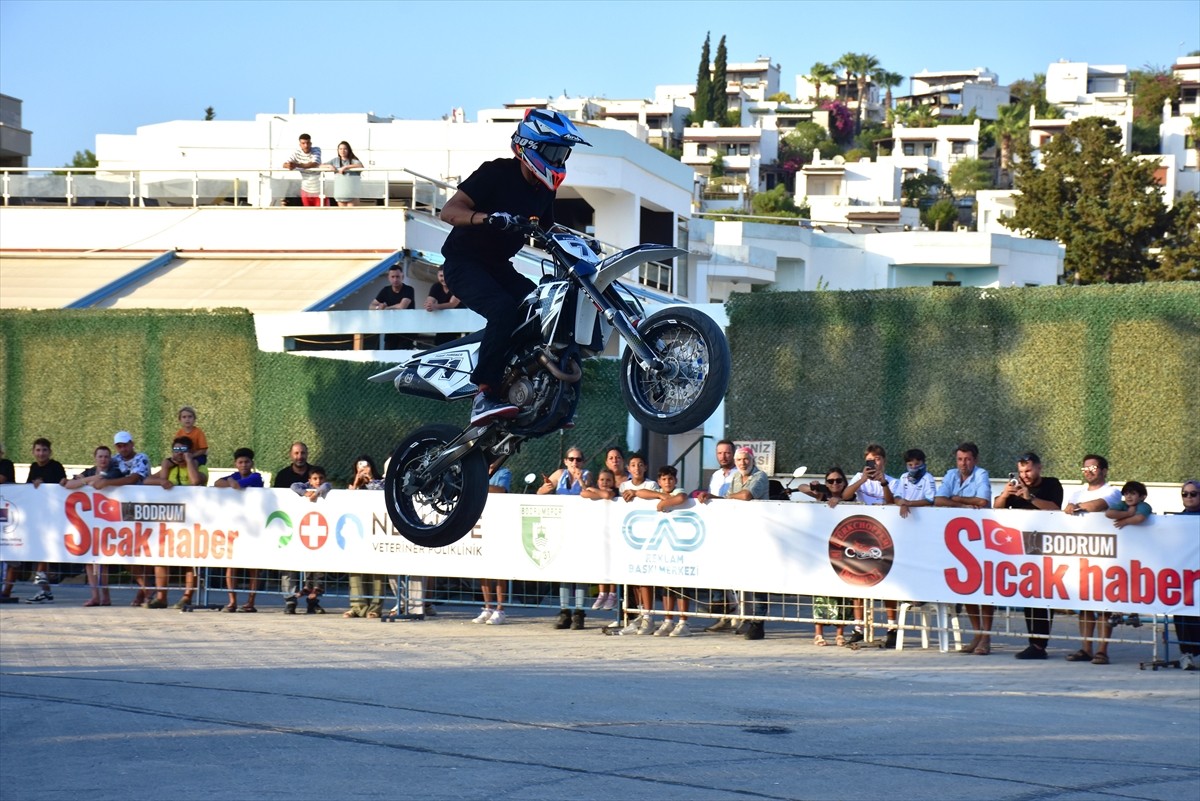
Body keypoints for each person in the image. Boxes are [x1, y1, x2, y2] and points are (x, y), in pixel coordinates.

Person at [438, 108, 590, 426]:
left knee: (542, 310)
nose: (560, 159)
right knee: (505, 310)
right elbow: (449, 211)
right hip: (463, 263)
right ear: (530, 147)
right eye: (553, 151)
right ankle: (483, 395)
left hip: (498, 267)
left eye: (564, 153)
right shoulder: (495, 173)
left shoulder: (545, 190)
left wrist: (582, 246)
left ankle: (537, 394)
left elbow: (548, 231)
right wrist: (486, 218)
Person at [995, 452, 1063, 660]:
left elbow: (1055, 508)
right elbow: (995, 508)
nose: (1024, 475)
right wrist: (1006, 494)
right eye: (1021, 471)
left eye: (1028, 470)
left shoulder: (1051, 484)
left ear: (1039, 468)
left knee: (1043, 597)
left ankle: (1040, 644)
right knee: (1028, 596)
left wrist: (1030, 497)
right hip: (1020, 550)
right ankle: (1033, 642)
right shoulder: (1015, 487)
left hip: (1045, 549)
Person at [1062, 454, 1122, 665]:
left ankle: (1102, 650)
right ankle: (1086, 647)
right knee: (1085, 604)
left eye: (1093, 467)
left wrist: (1077, 507)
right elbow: (1067, 510)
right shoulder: (1076, 492)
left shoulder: (1112, 490)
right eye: (1085, 468)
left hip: (1105, 554)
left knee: (1104, 604)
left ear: (1104, 470)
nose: (1088, 471)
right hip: (1080, 553)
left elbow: (1099, 505)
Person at [935, 442, 994, 655]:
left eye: (967, 459)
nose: (963, 463)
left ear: (975, 460)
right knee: (967, 587)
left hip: (981, 537)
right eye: (960, 459)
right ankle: (977, 634)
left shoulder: (981, 474)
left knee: (985, 587)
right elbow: (938, 500)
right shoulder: (951, 474)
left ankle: (985, 637)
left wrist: (956, 498)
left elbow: (983, 500)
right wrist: (961, 505)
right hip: (957, 538)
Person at [705, 446, 770, 640]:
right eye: (739, 460)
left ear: (752, 460)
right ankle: (743, 617)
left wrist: (724, 497)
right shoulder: (735, 478)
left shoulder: (761, 476)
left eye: (746, 459)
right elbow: (731, 500)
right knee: (741, 578)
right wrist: (711, 497)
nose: (743, 462)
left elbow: (746, 496)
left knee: (757, 580)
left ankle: (758, 622)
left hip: (759, 533)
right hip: (740, 533)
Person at [841, 444, 898, 645]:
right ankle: (859, 627)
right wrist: (863, 479)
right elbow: (845, 496)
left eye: (877, 460)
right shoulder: (859, 478)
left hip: (884, 536)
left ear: (884, 461)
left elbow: (892, 503)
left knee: (887, 580)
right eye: (870, 460)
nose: (874, 463)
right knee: (858, 578)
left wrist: (883, 484)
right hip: (862, 534)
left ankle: (892, 627)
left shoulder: (892, 481)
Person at [94, 432, 158, 605]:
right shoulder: (114, 459)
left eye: (125, 445)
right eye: (119, 446)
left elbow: (133, 479)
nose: (122, 448)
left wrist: (107, 483)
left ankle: (144, 590)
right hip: (121, 511)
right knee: (125, 551)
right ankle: (145, 589)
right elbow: (99, 472)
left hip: (142, 508)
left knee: (142, 551)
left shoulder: (141, 458)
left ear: (132, 444)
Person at [149, 435, 208, 609]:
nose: (178, 454)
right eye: (176, 450)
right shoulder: (170, 467)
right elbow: (146, 480)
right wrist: (162, 476)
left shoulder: (200, 466)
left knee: (188, 559)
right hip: (168, 519)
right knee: (160, 557)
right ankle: (161, 596)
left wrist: (190, 461)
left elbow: (196, 481)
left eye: (183, 450)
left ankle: (187, 596)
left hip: (192, 520)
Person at [634, 466, 692, 637]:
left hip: (680, 542)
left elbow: (682, 497)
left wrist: (665, 503)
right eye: (664, 479)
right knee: (666, 584)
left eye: (670, 479)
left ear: (675, 480)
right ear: (659, 482)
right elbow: (641, 493)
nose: (667, 482)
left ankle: (683, 622)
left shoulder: (678, 491)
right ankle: (668, 620)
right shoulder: (658, 491)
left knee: (680, 584)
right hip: (661, 544)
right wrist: (660, 496)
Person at [537, 447, 592, 630]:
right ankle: (564, 611)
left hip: (581, 527)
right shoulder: (560, 474)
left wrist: (581, 481)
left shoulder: (587, 474)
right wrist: (547, 488)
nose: (575, 463)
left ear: (582, 462)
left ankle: (579, 612)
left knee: (580, 572)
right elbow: (540, 493)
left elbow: (588, 492)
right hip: (562, 527)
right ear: (565, 461)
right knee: (564, 571)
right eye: (571, 459)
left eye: (578, 459)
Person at [60, 445, 118, 606]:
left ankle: (105, 596)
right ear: (95, 458)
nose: (103, 459)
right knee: (89, 560)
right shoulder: (90, 471)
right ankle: (95, 595)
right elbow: (69, 485)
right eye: (100, 456)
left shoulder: (115, 470)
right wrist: (86, 480)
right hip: (89, 520)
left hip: (108, 520)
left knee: (104, 561)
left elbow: (101, 483)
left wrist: (84, 481)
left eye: (106, 456)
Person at [694, 439, 740, 632]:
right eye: (720, 453)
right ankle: (722, 614)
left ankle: (739, 615)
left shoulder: (740, 475)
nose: (723, 456)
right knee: (719, 574)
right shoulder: (715, 475)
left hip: (736, 528)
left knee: (736, 576)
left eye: (727, 453)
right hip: (717, 529)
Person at [273, 443, 324, 613]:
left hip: (313, 525)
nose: (299, 456)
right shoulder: (282, 475)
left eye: (302, 453)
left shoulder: (315, 474)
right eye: (296, 453)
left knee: (314, 566)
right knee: (289, 564)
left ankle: (313, 600)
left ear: (307, 454)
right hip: (290, 526)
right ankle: (290, 601)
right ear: (290, 455)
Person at [214, 447, 263, 612]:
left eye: (246, 462)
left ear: (252, 463)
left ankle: (251, 601)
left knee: (253, 566)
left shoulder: (256, 477)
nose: (243, 465)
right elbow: (216, 483)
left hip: (254, 526)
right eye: (240, 462)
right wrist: (229, 482)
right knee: (231, 564)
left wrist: (229, 482)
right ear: (235, 464)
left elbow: (236, 485)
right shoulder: (233, 476)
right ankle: (232, 601)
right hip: (234, 526)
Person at [617, 453, 659, 630]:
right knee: (633, 577)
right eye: (633, 465)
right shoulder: (623, 485)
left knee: (645, 577)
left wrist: (636, 493)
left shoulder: (651, 485)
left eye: (640, 464)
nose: (637, 468)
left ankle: (649, 615)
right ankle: (640, 613)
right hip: (630, 534)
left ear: (646, 467)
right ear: (628, 468)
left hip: (648, 534)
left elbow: (656, 496)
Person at [811, 468, 850, 646]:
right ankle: (818, 633)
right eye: (831, 481)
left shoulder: (850, 498)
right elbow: (804, 487)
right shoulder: (821, 497)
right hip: (822, 548)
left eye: (838, 481)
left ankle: (840, 632)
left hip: (843, 550)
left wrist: (840, 499)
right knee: (820, 590)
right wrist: (816, 489)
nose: (835, 484)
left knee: (843, 592)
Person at [344, 455, 386, 619]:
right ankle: (357, 606)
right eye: (359, 467)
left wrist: (371, 480)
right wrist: (356, 484)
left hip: (377, 531)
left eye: (365, 466)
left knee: (377, 573)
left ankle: (375, 607)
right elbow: (348, 501)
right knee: (355, 571)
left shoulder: (380, 483)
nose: (362, 470)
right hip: (357, 533)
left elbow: (382, 495)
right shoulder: (352, 484)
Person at [472, 461, 511, 625]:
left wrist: (478, 486)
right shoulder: (477, 470)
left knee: (498, 569)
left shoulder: (504, 472)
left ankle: (500, 609)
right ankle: (488, 607)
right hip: (480, 521)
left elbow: (500, 490)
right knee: (483, 567)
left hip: (499, 522)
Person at [1172, 479, 1200, 670]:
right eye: (1185, 494)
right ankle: (1187, 653)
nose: (1188, 497)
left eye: (1193, 494)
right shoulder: (1177, 519)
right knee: (1182, 614)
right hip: (1184, 576)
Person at [424, 266, 463, 345]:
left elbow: (453, 304)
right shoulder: (436, 286)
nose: (443, 278)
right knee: (438, 344)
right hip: (443, 324)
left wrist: (435, 306)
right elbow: (430, 300)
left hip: (459, 323)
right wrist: (428, 305)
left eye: (445, 275)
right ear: (437, 276)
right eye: (441, 276)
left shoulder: (457, 286)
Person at [282, 133, 322, 206]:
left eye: (307, 143)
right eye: (303, 143)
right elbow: (284, 165)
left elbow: (314, 163)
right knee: (307, 212)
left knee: (319, 212)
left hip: (319, 189)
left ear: (311, 143)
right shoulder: (297, 153)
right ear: (300, 144)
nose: (306, 145)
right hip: (305, 189)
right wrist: (289, 165)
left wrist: (296, 165)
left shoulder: (316, 150)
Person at [324, 140, 363, 207]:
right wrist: (329, 166)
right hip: (340, 193)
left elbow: (361, 166)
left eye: (345, 149)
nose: (342, 151)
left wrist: (346, 167)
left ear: (348, 150)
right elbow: (320, 165)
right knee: (342, 215)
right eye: (340, 149)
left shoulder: (353, 160)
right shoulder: (335, 160)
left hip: (352, 194)